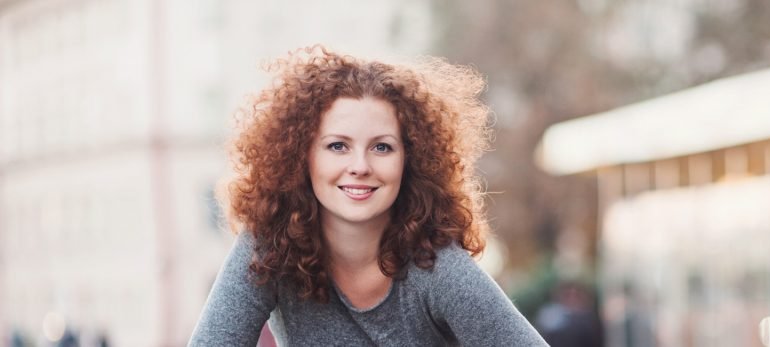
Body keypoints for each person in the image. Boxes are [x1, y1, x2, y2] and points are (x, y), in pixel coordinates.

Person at [189, 45, 547, 346]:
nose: (360, 166)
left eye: (381, 147)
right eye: (338, 146)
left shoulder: (439, 268)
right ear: (303, 157)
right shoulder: (269, 247)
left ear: (410, 160)